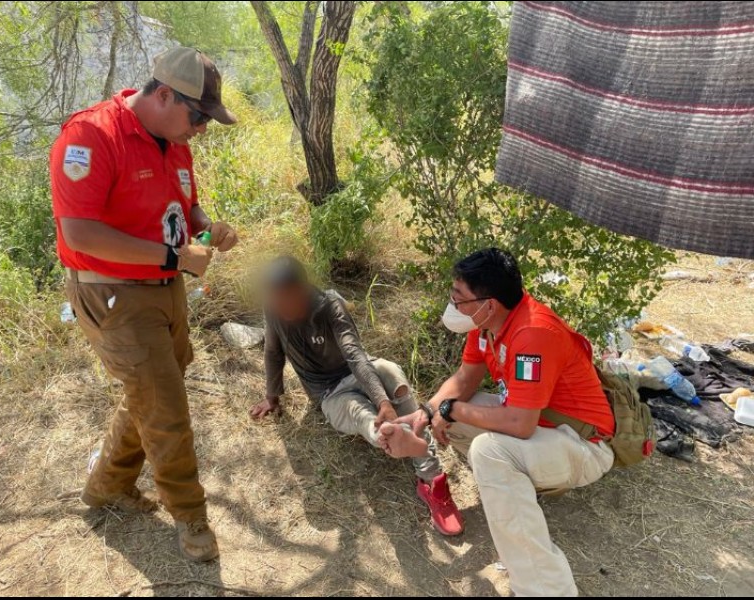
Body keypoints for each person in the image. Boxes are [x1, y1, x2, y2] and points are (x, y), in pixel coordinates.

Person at [50, 47, 239, 562]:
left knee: (153, 390)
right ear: (164, 95)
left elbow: (185, 206)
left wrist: (208, 227)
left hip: (164, 286)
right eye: (198, 116)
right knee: (165, 406)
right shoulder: (90, 136)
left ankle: (106, 484)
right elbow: (80, 232)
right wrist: (174, 256)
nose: (201, 128)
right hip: (113, 293)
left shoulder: (174, 142)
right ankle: (191, 516)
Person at [378, 248, 616, 596]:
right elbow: (465, 378)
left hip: (584, 446)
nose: (453, 304)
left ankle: (545, 590)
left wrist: (452, 410)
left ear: (488, 304)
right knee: (462, 412)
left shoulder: (533, 334)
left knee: (489, 451)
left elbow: (520, 424)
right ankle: (516, 484)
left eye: (459, 297)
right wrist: (425, 414)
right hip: (546, 432)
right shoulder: (488, 324)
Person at [249, 256, 464, 536]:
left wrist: (383, 401)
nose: (283, 304)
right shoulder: (273, 308)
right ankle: (389, 435)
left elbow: (355, 356)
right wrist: (272, 396)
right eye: (276, 298)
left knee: (392, 373)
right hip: (329, 392)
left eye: (288, 296)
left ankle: (431, 477)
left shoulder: (329, 306)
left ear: (303, 289)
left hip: (359, 370)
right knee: (358, 412)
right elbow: (273, 351)